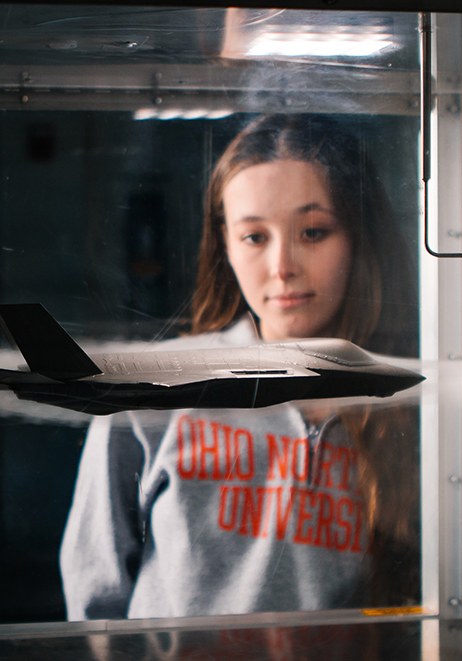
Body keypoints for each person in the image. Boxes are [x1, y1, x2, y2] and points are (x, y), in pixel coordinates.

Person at [60, 114, 419, 621]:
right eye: (254, 237)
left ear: (359, 238)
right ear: (225, 245)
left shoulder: (414, 403)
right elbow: (95, 598)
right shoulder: (148, 390)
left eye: (314, 231)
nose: (282, 266)